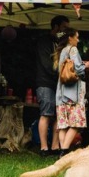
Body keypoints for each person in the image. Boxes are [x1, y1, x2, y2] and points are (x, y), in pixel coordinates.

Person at [53, 28, 89, 157]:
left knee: (63, 125)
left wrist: (81, 64)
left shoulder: (62, 51)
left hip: (61, 93)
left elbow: (67, 68)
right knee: (76, 123)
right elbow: (78, 70)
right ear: (70, 38)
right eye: (77, 37)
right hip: (72, 94)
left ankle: (62, 152)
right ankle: (64, 151)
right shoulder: (73, 49)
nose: (78, 39)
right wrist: (85, 66)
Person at [35, 15, 69, 156]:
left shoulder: (61, 42)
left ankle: (55, 146)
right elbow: (47, 65)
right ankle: (44, 147)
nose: (66, 31)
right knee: (46, 114)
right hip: (45, 83)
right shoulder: (44, 42)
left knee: (58, 115)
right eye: (64, 28)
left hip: (58, 84)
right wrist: (63, 73)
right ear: (56, 27)